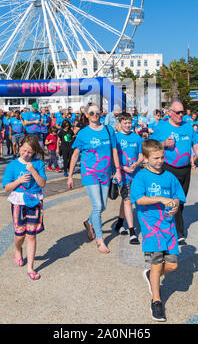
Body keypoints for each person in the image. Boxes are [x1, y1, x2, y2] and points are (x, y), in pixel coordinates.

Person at [130, 139, 186, 322]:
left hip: (169, 228)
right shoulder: (141, 176)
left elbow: (178, 197)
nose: (160, 161)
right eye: (155, 158)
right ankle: (156, 301)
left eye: (162, 157)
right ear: (145, 158)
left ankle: (150, 276)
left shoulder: (169, 176)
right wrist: (161, 199)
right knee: (156, 264)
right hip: (151, 229)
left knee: (172, 265)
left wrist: (175, 205)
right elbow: (138, 199)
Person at [152, 98, 198, 243]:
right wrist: (163, 143)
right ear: (170, 112)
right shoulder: (161, 127)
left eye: (182, 112)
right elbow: (150, 146)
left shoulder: (188, 126)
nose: (181, 115)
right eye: (178, 112)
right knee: (172, 200)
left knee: (181, 201)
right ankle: (178, 232)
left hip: (185, 169)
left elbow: (196, 147)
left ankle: (172, 226)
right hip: (168, 169)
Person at [67, 103, 121, 254]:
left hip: (106, 173)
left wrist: (117, 170)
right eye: (91, 113)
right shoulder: (83, 134)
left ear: (102, 112)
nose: (95, 115)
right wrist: (70, 175)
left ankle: (89, 221)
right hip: (90, 173)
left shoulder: (109, 130)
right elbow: (75, 154)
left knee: (103, 206)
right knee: (97, 206)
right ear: (86, 115)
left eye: (97, 112)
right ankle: (100, 240)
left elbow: (114, 151)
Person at [3, 135, 46, 281]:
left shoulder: (38, 164)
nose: (26, 154)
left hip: (34, 201)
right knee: (20, 234)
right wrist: (19, 180)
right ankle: (17, 249)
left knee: (31, 235)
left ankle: (30, 268)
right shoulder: (12, 166)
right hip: (18, 202)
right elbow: (7, 188)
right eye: (24, 150)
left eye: (30, 152)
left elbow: (42, 184)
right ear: (19, 147)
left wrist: (33, 170)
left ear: (34, 152)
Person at [114, 112, 143, 244]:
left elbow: (141, 155)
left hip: (135, 173)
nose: (127, 125)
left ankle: (119, 224)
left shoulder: (137, 137)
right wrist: (122, 168)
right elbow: (113, 157)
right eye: (125, 123)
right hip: (123, 174)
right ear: (120, 123)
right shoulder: (116, 138)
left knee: (127, 200)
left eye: (129, 123)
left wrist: (137, 163)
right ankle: (132, 232)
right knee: (127, 200)